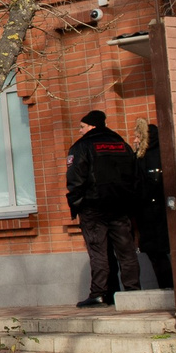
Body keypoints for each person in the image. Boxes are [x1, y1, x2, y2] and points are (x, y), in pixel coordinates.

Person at [67, 110, 145, 307]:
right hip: (120, 208)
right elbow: (136, 178)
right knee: (126, 251)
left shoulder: (81, 146)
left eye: (82, 127)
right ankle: (133, 291)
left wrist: (77, 204)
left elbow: (75, 181)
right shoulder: (122, 145)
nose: (80, 130)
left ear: (92, 126)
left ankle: (100, 294)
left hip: (93, 208)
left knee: (98, 251)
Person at [134, 124, 171, 290]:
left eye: (138, 137)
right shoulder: (147, 156)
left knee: (157, 252)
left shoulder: (150, 157)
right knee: (156, 252)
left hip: (153, 213)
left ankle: (167, 285)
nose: (135, 140)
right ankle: (166, 285)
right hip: (150, 213)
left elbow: (148, 185)